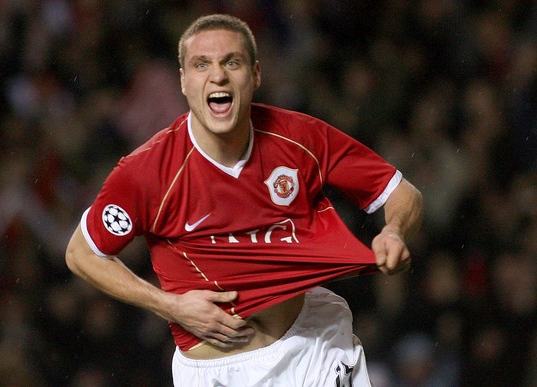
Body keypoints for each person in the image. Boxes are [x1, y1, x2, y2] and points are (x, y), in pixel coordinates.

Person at [65, 14, 423, 386]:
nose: (217, 76)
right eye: (201, 64)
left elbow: (401, 193)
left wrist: (395, 231)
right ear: (184, 82)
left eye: (231, 62)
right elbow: (82, 253)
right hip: (218, 373)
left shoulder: (300, 138)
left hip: (312, 348)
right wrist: (169, 306)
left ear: (255, 75)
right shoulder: (147, 172)